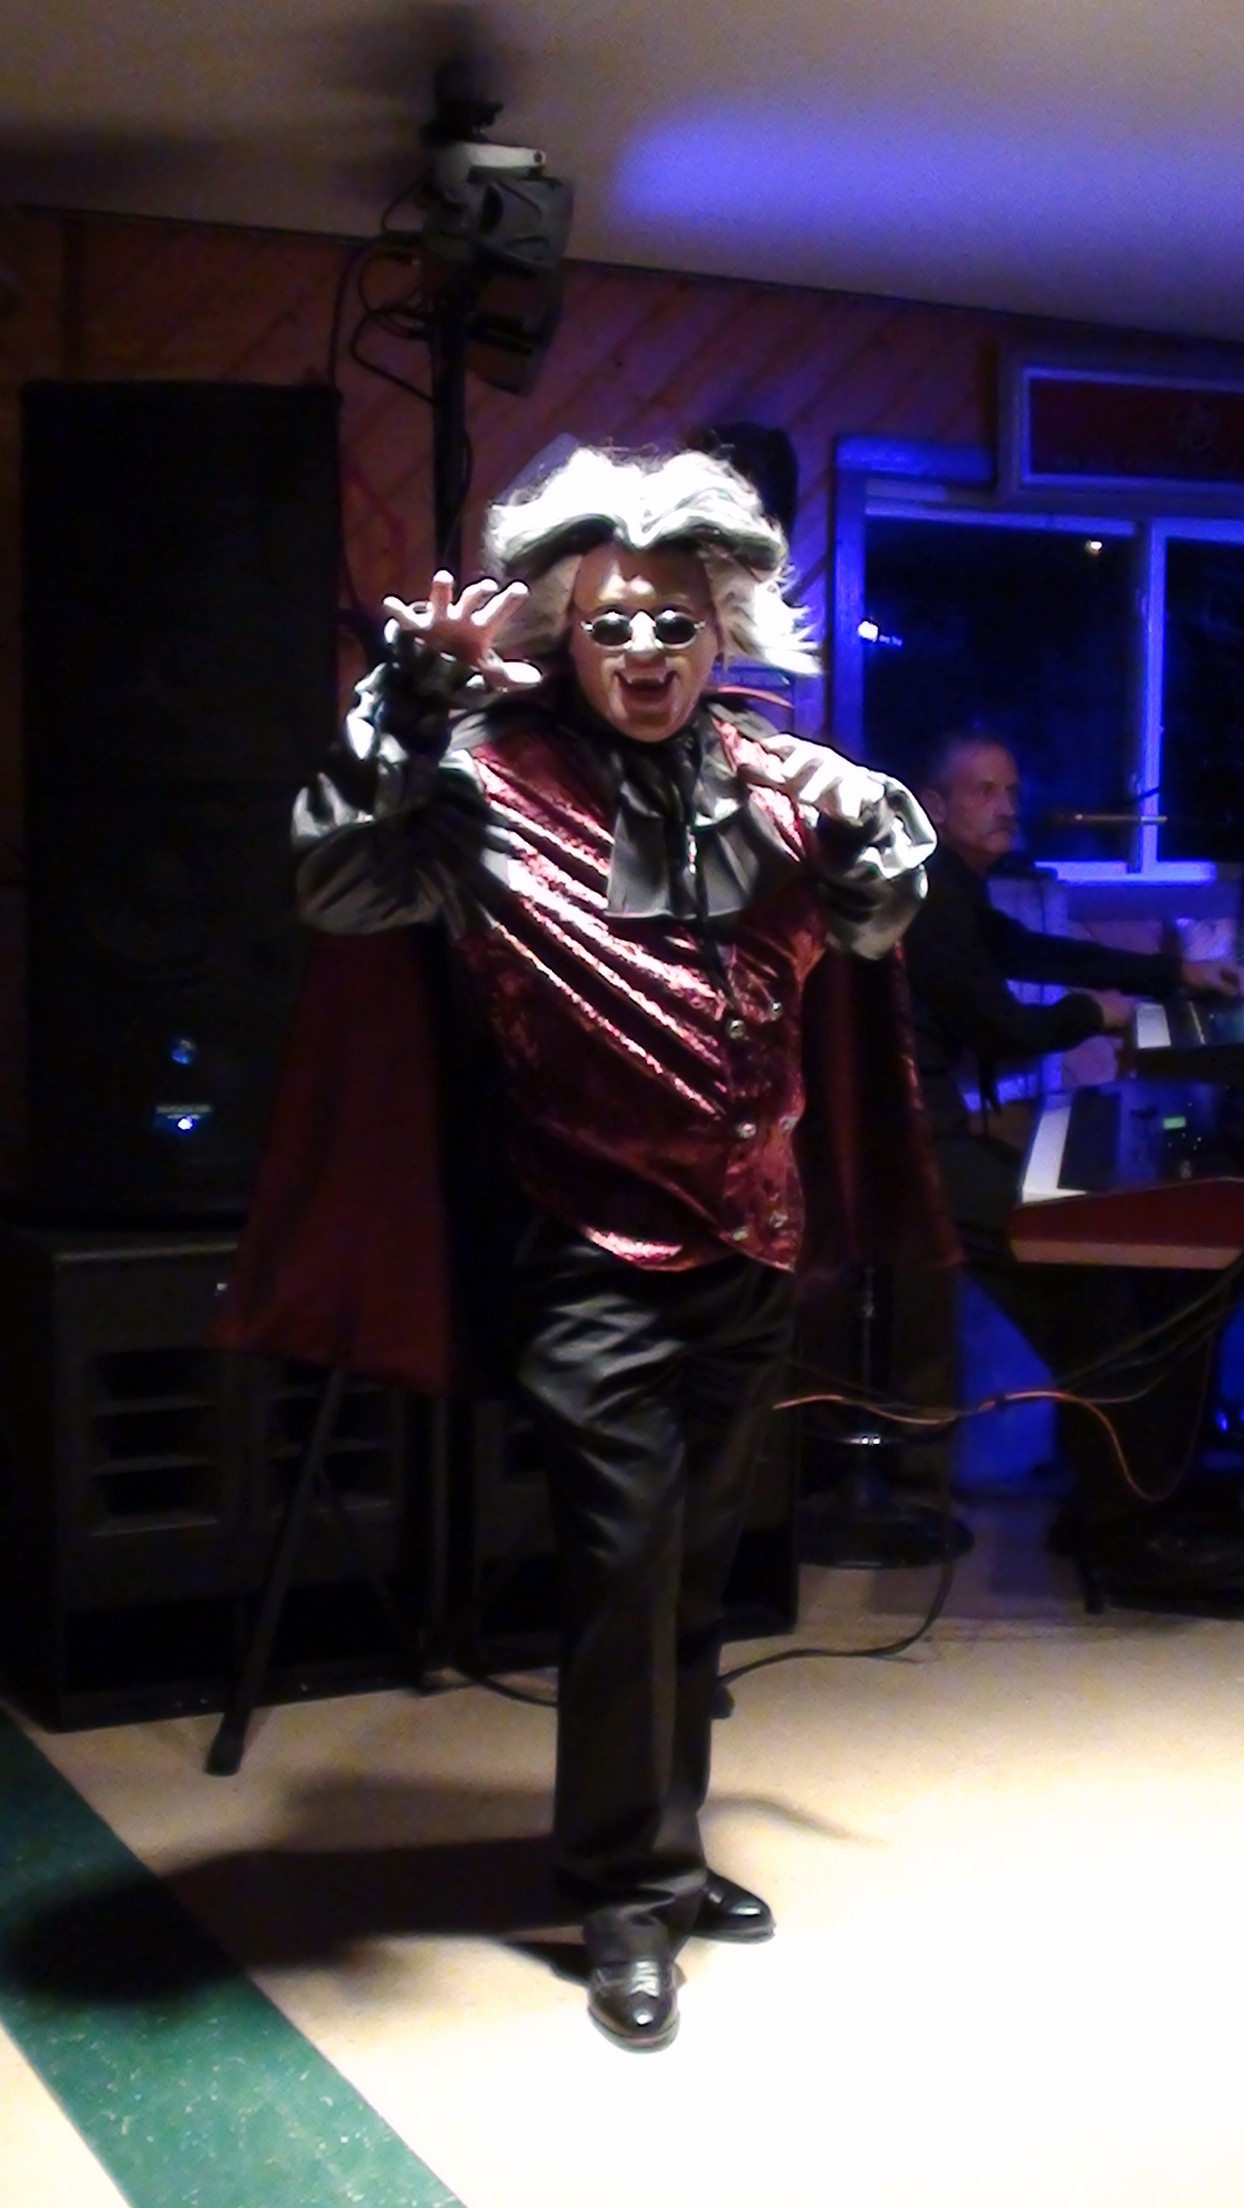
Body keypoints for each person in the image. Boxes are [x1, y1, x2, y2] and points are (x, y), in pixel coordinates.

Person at [288, 445, 939, 2050]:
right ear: (561, 637)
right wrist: (407, 707)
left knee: (698, 1569)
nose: (645, 653)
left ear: (722, 632)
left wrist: (873, 830)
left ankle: (667, 1849)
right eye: (610, 625)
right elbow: (339, 883)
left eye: (674, 623)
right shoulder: (485, 783)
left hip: (750, 1244)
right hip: (583, 1250)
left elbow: (877, 922)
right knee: (625, 1562)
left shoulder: (780, 780)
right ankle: (622, 1895)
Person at [901, 728, 1242, 1571]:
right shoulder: (930, 900)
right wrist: (1097, 1014)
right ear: (934, 806)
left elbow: (1038, 951)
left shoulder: (954, 888)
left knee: (1123, 1268)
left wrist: (1170, 978)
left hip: (937, 1132)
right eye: (984, 791)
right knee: (1093, 1284)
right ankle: (1122, 1523)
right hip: (918, 1151)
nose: (1007, 806)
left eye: (1012, 790)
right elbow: (1004, 1029)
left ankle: (1134, 1488)